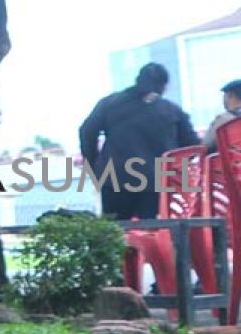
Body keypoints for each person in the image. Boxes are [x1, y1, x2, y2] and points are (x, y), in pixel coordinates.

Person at [79, 63, 199, 220]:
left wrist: (93, 165)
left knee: (116, 234)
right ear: (164, 85)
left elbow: (87, 131)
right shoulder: (171, 111)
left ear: (138, 80)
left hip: (114, 178)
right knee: (152, 233)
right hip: (157, 181)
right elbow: (192, 146)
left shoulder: (110, 104)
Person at [206, 79, 241, 153]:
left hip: (229, 164)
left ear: (230, 96)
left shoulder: (222, 120)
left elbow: (205, 147)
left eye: (224, 96)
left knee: (185, 159)